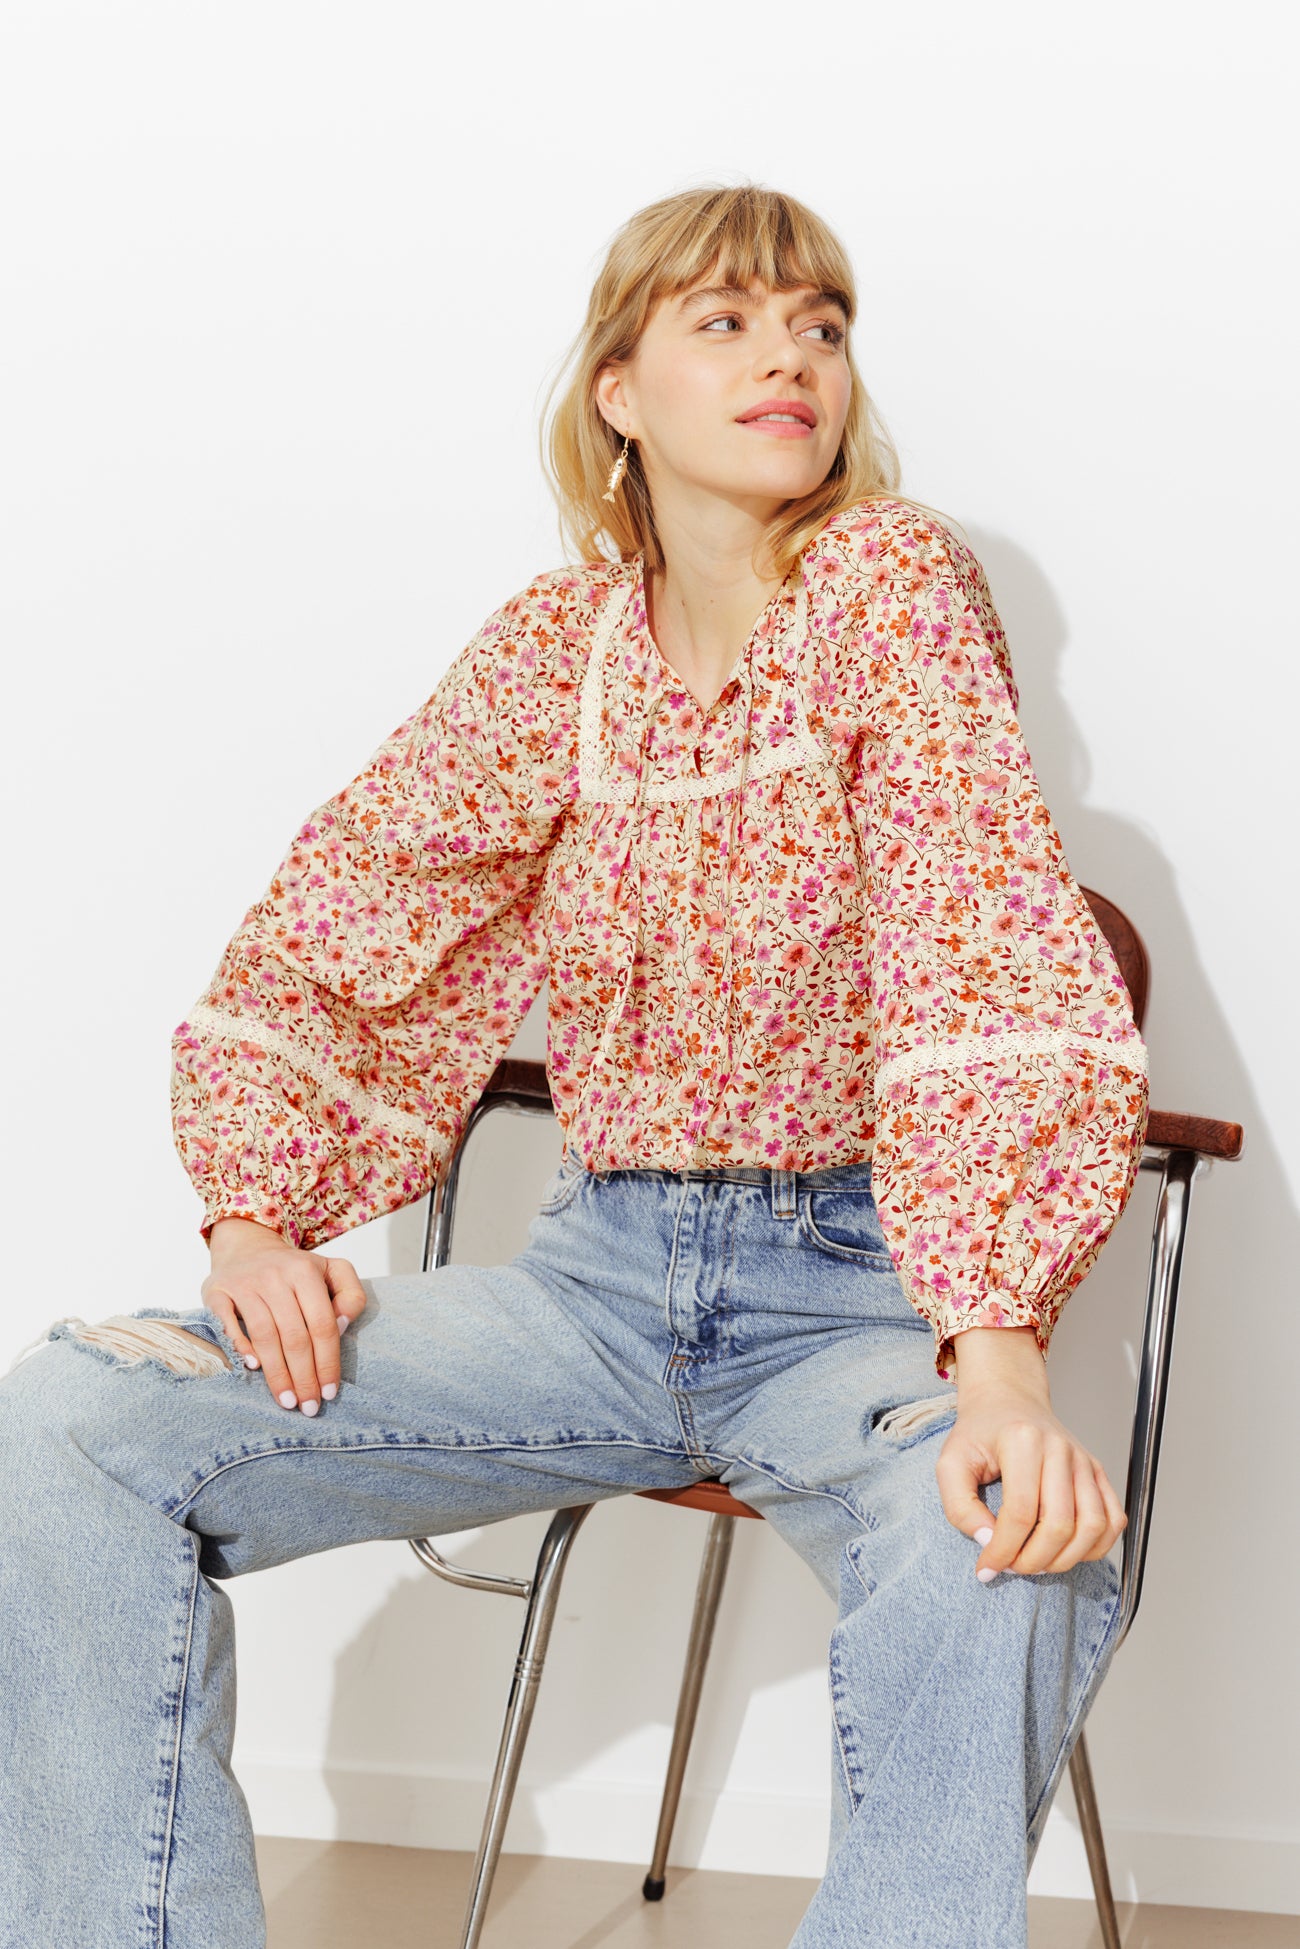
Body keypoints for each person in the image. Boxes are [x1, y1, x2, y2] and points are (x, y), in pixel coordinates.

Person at [0, 183, 1148, 1947]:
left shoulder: (890, 589)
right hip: (590, 1287)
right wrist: (254, 1211)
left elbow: (971, 930)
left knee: (1002, 1540)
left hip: (857, 1301)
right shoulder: (560, 651)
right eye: (727, 320)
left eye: (821, 325)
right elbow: (369, 893)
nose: (789, 356)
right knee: (69, 1421)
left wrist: (995, 1357)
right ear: (619, 388)